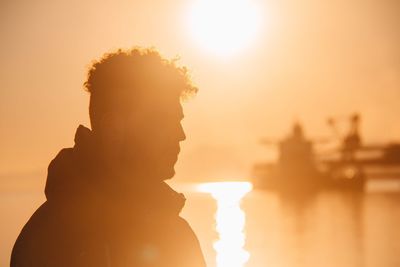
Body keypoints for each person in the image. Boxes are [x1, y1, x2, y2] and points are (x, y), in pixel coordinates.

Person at [11, 48, 207, 267]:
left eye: (178, 120)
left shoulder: (176, 233)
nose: (180, 134)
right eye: (163, 120)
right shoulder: (49, 242)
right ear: (112, 127)